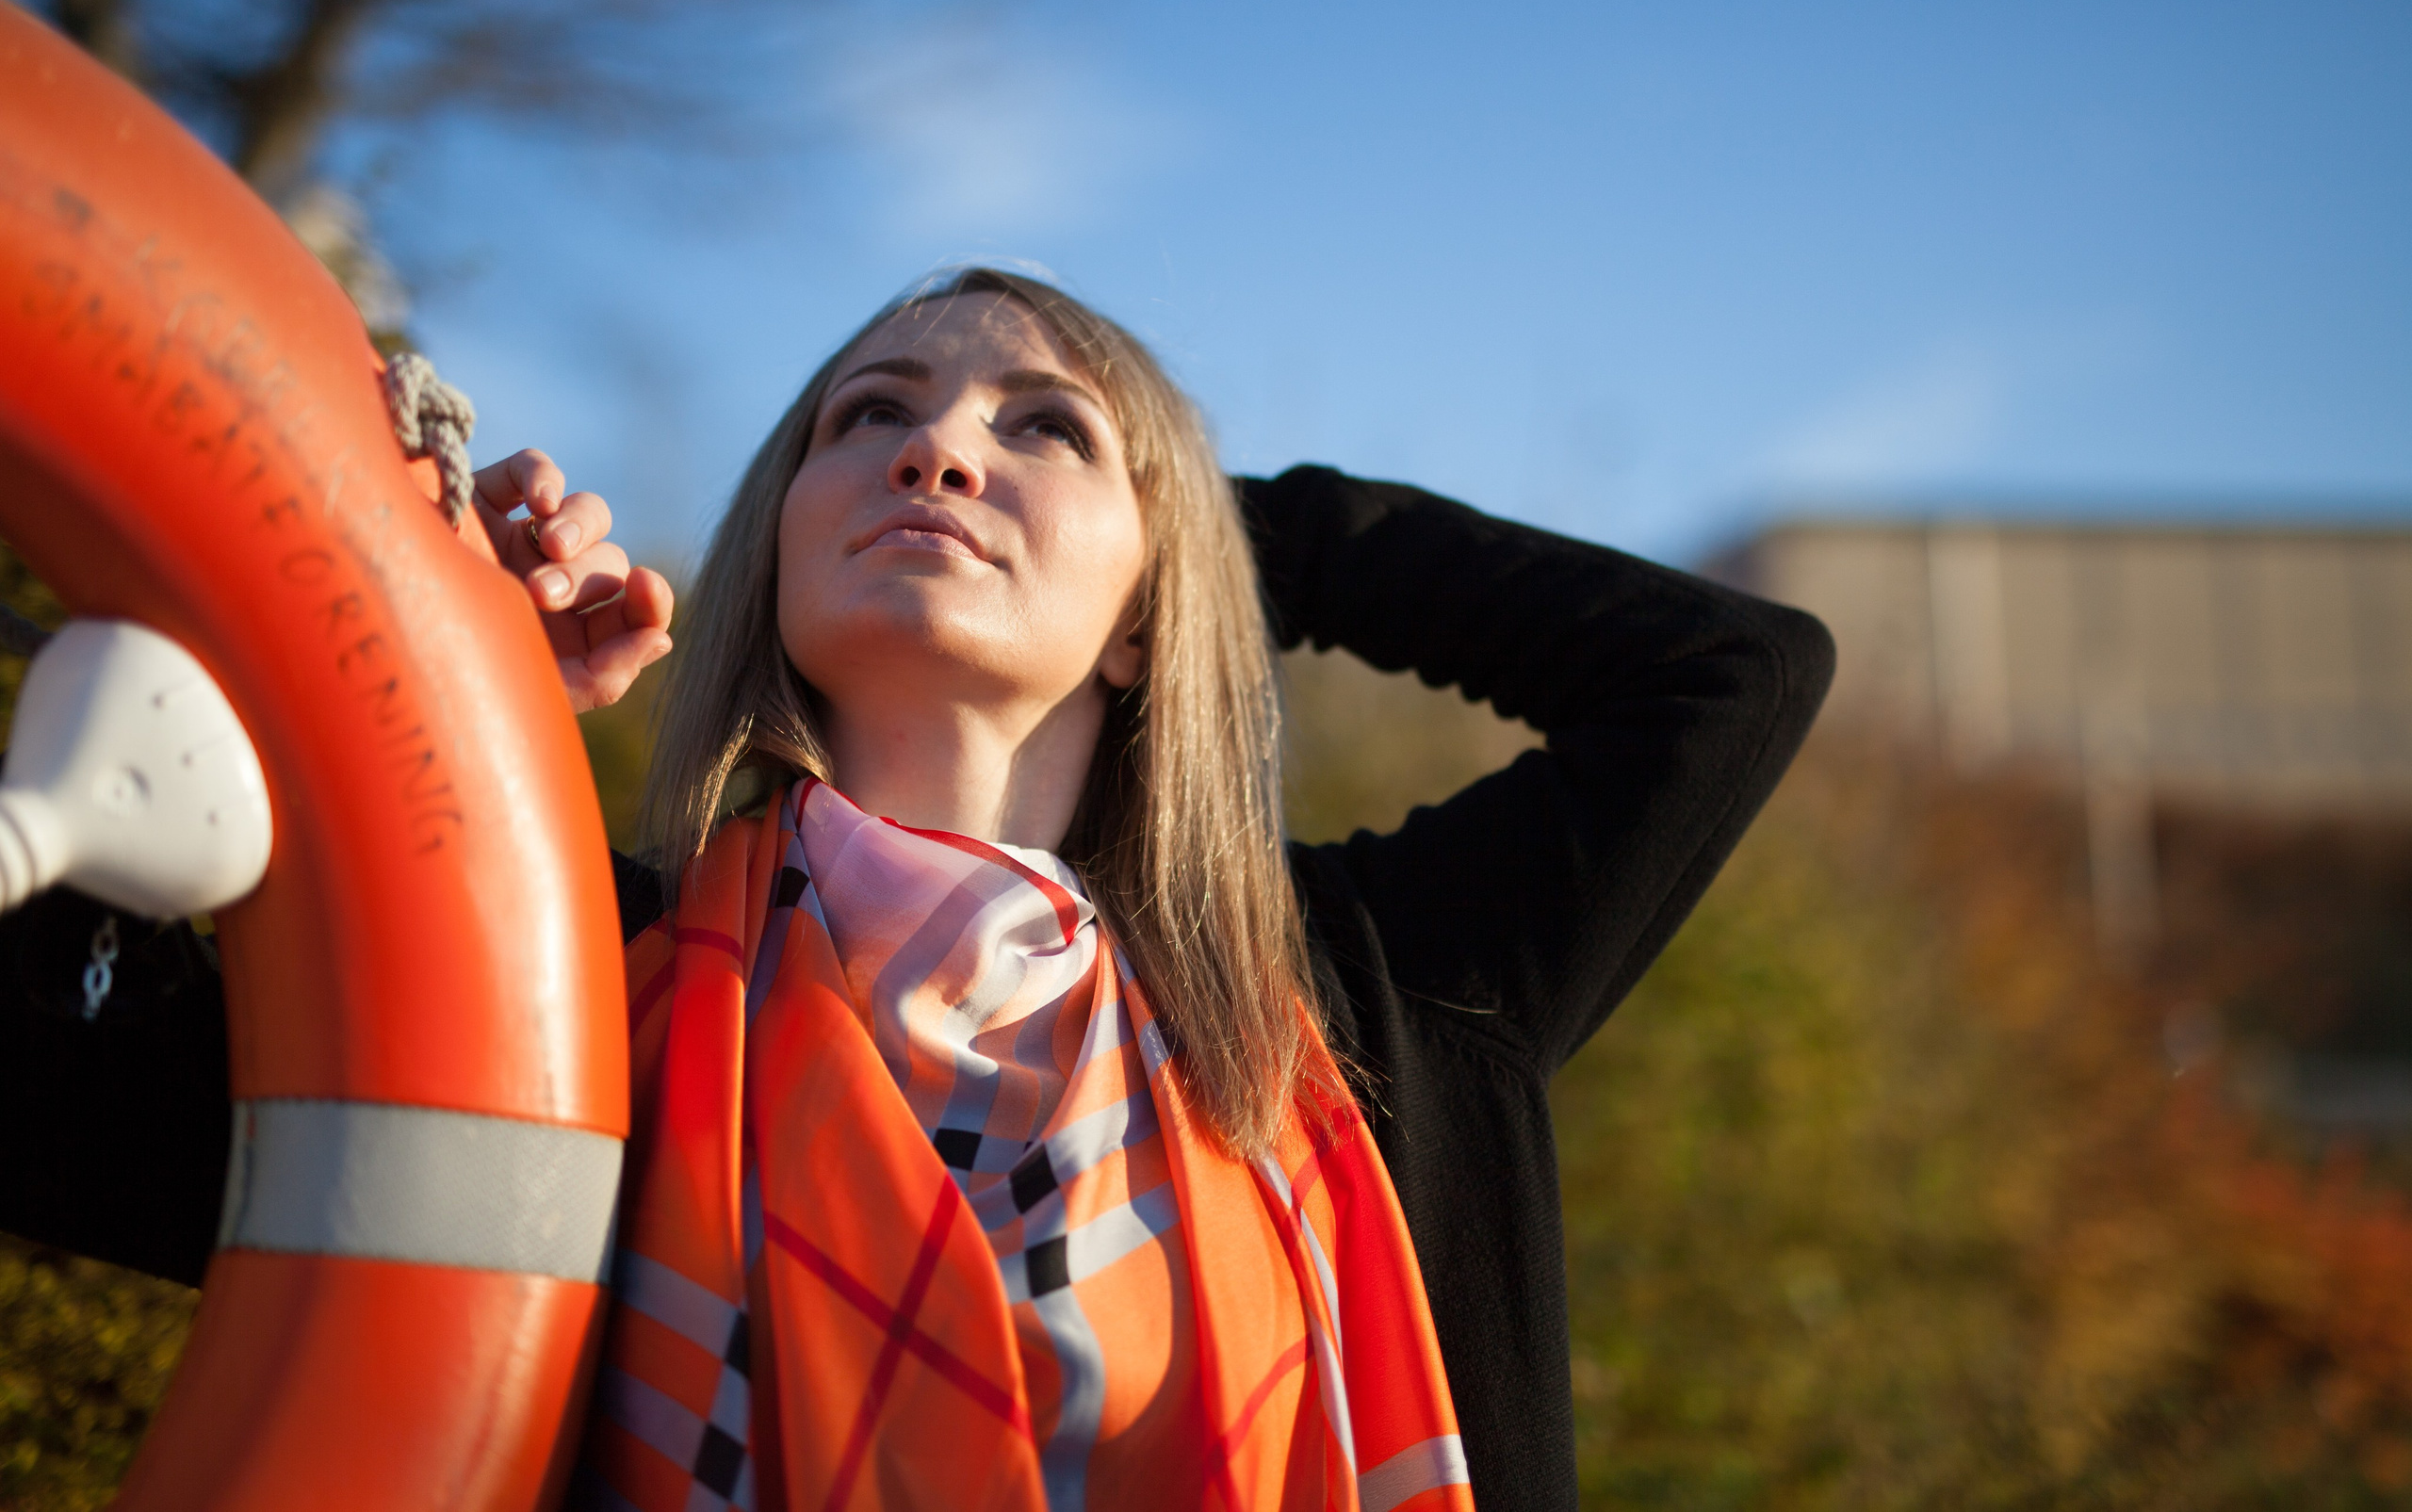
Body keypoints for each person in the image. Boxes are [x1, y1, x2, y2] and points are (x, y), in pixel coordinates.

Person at [0, 268, 1833, 1511]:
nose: (937, 446)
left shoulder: (1380, 992)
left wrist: (1199, 529)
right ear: (774, 544)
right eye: (869, 414)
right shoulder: (566, 966)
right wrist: (415, 702)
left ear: (1152, 613)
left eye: (1042, 429)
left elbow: (1725, 672)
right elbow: (51, 1090)